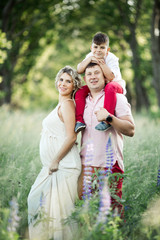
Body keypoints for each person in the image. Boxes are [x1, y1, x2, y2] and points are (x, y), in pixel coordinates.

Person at [28, 66, 82, 240]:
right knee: (36, 203)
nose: (63, 84)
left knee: (61, 219)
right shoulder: (61, 104)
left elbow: (71, 137)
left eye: (69, 81)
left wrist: (55, 160)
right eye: (61, 79)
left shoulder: (67, 104)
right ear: (56, 81)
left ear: (74, 86)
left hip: (63, 166)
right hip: (54, 167)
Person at [78, 62, 135, 215]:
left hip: (109, 165)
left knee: (113, 215)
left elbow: (131, 130)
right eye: (89, 74)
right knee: (88, 215)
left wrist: (109, 118)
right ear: (85, 78)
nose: (93, 77)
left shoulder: (117, 98)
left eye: (97, 73)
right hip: (86, 166)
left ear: (104, 76)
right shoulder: (82, 101)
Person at [75, 32, 126, 133]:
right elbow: (79, 70)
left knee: (110, 87)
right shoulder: (90, 55)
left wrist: (101, 63)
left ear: (107, 50)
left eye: (102, 48)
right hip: (100, 85)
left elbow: (111, 77)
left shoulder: (112, 58)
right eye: (96, 47)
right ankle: (79, 121)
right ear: (91, 48)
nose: (98, 50)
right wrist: (89, 59)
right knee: (80, 91)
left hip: (115, 85)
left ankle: (107, 120)